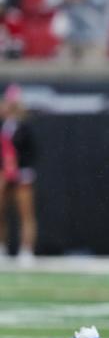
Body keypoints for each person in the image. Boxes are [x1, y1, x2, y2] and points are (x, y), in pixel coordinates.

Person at [0, 84, 36, 264]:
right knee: (1, 211)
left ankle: (26, 249)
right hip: (5, 176)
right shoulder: (4, 126)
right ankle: (1, 247)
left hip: (21, 175)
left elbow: (31, 153)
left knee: (25, 214)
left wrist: (18, 169)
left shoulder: (24, 126)